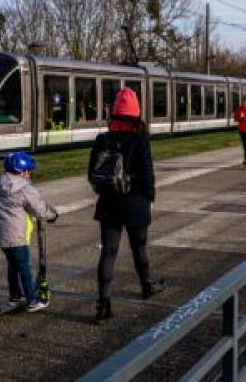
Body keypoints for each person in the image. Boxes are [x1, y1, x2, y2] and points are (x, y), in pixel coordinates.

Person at [88, 88, 164, 323]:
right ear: (135, 112)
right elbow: (147, 174)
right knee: (139, 248)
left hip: (109, 204)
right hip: (135, 204)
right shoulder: (140, 139)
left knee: (108, 253)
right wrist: (150, 198)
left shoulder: (103, 139)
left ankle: (103, 304)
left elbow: (92, 172)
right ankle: (146, 285)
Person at [0, 151, 59, 313]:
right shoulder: (24, 188)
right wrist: (53, 214)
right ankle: (32, 300)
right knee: (25, 268)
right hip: (17, 236)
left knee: (13, 266)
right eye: (29, 171)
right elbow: (39, 208)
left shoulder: (0, 185)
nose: (30, 174)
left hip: (2, 235)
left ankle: (15, 296)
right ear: (22, 171)